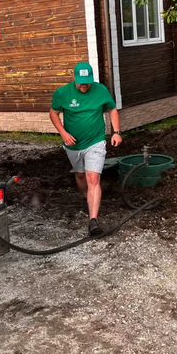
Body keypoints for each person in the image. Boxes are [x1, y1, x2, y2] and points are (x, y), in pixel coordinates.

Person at [49, 62, 122, 237]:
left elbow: (112, 109)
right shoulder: (63, 94)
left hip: (95, 141)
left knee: (93, 177)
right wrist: (63, 133)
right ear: (75, 79)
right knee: (80, 175)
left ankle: (93, 221)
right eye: (81, 82)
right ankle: (86, 196)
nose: (84, 86)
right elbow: (53, 113)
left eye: (87, 82)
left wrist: (116, 132)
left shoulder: (101, 91)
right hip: (73, 144)